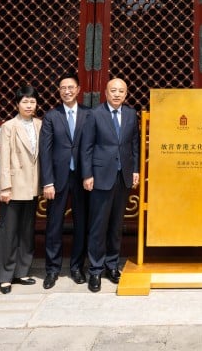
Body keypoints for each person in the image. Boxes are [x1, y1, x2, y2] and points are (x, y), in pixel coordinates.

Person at [81, 77, 140, 292]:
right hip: (100, 176)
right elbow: (86, 147)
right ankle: (95, 270)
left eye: (121, 91)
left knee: (116, 224)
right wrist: (87, 175)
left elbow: (135, 144)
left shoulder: (132, 115)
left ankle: (112, 265)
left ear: (126, 94)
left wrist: (135, 170)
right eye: (113, 90)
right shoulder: (94, 114)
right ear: (105, 93)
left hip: (122, 176)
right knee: (98, 224)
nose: (117, 94)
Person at [40, 74, 91, 288]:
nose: (67, 91)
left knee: (82, 224)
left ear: (79, 89)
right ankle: (52, 270)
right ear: (59, 91)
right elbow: (45, 151)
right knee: (54, 225)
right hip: (58, 178)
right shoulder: (52, 116)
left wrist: (91, 174)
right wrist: (47, 182)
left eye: (71, 87)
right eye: (63, 87)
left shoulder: (89, 114)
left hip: (82, 177)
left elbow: (93, 146)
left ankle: (77, 267)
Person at [0, 85, 42, 293]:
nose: (29, 105)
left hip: (32, 184)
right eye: (25, 101)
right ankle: (5, 275)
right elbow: (4, 157)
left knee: (26, 230)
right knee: (9, 231)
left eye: (32, 101)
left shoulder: (41, 124)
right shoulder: (9, 126)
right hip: (14, 185)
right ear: (17, 104)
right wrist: (5, 186)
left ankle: (22, 271)